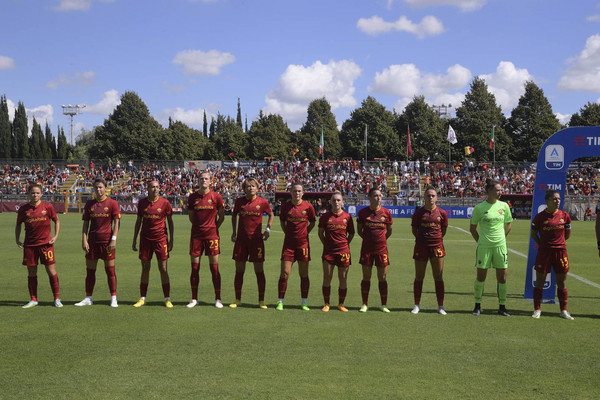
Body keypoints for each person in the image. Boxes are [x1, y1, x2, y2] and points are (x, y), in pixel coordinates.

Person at [469, 179, 513, 316]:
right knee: (481, 277)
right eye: (497, 190)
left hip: (500, 246)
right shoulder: (479, 208)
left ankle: (502, 306)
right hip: (484, 247)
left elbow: (509, 224)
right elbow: (472, 228)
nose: (500, 192)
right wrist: (481, 241)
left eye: (501, 190)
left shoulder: (504, 206)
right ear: (489, 191)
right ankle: (477, 306)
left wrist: (502, 238)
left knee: (503, 278)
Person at [75, 178, 121, 307]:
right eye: (96, 187)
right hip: (92, 242)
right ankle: (88, 297)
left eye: (100, 187)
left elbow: (117, 223)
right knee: (90, 271)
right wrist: (84, 239)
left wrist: (114, 239)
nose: (98, 189)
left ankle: (113, 298)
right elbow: (85, 224)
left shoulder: (112, 203)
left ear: (105, 188)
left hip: (107, 242)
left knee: (110, 271)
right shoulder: (89, 204)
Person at [15, 183, 62, 308]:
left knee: (51, 272)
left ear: (41, 194)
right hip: (30, 246)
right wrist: (17, 239)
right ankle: (33, 299)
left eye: (37, 193)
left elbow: (57, 220)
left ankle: (57, 298)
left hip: (46, 245)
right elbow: (18, 224)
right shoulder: (23, 209)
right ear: (29, 193)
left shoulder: (47, 207)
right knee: (31, 272)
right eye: (32, 192)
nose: (35, 195)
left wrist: (55, 236)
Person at [229, 178, 274, 309]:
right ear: (244, 188)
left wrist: (267, 229)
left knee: (259, 271)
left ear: (257, 188)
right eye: (248, 186)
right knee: (239, 270)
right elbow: (233, 216)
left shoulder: (263, 202)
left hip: (256, 241)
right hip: (241, 241)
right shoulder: (239, 202)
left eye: (253, 186)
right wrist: (233, 232)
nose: (251, 188)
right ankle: (237, 299)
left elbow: (271, 215)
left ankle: (261, 300)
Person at [530, 190, 573, 319]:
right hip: (544, 252)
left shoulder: (564, 215)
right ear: (548, 201)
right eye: (555, 199)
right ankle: (537, 309)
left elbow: (568, 234)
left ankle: (563, 310)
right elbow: (533, 234)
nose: (558, 201)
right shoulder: (540, 217)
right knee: (540, 281)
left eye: (559, 199)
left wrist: (559, 243)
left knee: (562, 281)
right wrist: (543, 244)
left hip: (560, 252)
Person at [131, 180, 174, 308]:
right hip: (145, 239)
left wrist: (171, 240)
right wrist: (134, 239)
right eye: (152, 187)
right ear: (148, 189)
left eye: (157, 187)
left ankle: (167, 298)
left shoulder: (165, 203)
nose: (155, 189)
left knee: (163, 268)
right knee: (145, 268)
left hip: (161, 239)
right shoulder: (142, 203)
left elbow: (170, 222)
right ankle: (142, 298)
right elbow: (138, 221)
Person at [187, 171, 225, 308]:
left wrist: (213, 228)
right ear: (198, 181)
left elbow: (221, 217)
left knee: (214, 269)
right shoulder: (192, 198)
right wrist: (199, 227)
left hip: (212, 236)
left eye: (206, 178)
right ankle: (194, 299)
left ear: (210, 181)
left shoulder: (216, 197)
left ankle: (218, 299)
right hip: (196, 237)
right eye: (201, 178)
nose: (204, 180)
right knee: (195, 268)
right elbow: (191, 217)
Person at [276, 182, 316, 311]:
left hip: (303, 244)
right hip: (288, 244)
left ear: (303, 193)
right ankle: (280, 301)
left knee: (303, 274)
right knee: (284, 273)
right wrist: (287, 233)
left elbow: (312, 222)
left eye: (299, 191)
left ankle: (304, 302)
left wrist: (305, 233)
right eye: (294, 191)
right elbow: (282, 222)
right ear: (290, 192)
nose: (297, 193)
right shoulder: (286, 206)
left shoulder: (308, 206)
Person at [411, 187, 448, 315]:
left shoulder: (442, 213)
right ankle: (416, 305)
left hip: (437, 247)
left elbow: (443, 230)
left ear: (436, 197)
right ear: (424, 197)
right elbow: (414, 230)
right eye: (428, 196)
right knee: (419, 276)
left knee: (438, 277)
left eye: (433, 195)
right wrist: (423, 240)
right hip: (421, 247)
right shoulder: (419, 213)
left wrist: (435, 239)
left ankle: (440, 306)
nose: (430, 198)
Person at [357, 187, 393, 313]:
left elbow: (389, 231)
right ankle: (364, 304)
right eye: (376, 196)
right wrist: (368, 240)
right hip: (366, 249)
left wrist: (381, 240)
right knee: (366, 276)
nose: (379, 198)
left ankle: (383, 304)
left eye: (380, 195)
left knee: (382, 277)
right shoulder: (362, 213)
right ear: (370, 198)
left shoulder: (386, 212)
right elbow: (359, 231)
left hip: (381, 249)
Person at [318, 191, 354, 312]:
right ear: (331, 202)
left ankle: (341, 304)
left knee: (343, 278)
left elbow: (352, 233)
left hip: (343, 252)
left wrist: (345, 244)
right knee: (327, 277)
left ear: (342, 201)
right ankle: (327, 303)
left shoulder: (347, 217)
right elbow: (320, 233)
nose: (336, 202)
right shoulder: (325, 217)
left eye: (338, 200)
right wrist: (327, 244)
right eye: (334, 200)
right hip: (329, 252)